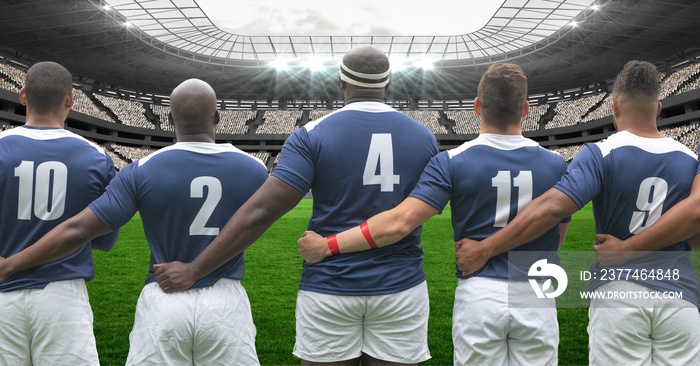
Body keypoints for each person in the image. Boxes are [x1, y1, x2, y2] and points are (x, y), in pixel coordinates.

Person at [154, 45, 439, 366]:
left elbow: (262, 211)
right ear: (388, 85)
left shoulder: (311, 135)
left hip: (330, 285)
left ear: (341, 82)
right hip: (401, 285)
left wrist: (195, 269)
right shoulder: (424, 137)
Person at [297, 62, 569, 366]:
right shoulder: (556, 164)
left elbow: (399, 222)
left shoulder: (451, 162)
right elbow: (555, 236)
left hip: (480, 288)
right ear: (526, 109)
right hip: (535, 289)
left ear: (477, 107)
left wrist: (327, 245)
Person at [0, 78, 267, 365]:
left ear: (169, 118)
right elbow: (257, 221)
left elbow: (79, 230)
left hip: (164, 297)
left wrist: (12, 264)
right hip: (226, 300)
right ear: (216, 117)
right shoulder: (255, 170)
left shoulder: (142, 169)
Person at [454, 60, 700, 364]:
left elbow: (553, 208)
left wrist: (488, 247)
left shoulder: (601, 153)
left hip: (619, 294)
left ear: (614, 106)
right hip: (680, 293)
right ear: (658, 108)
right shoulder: (691, 160)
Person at [0, 61, 118, 365]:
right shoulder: (98, 158)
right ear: (69, 100)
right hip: (62, 297)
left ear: (23, 96)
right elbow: (105, 240)